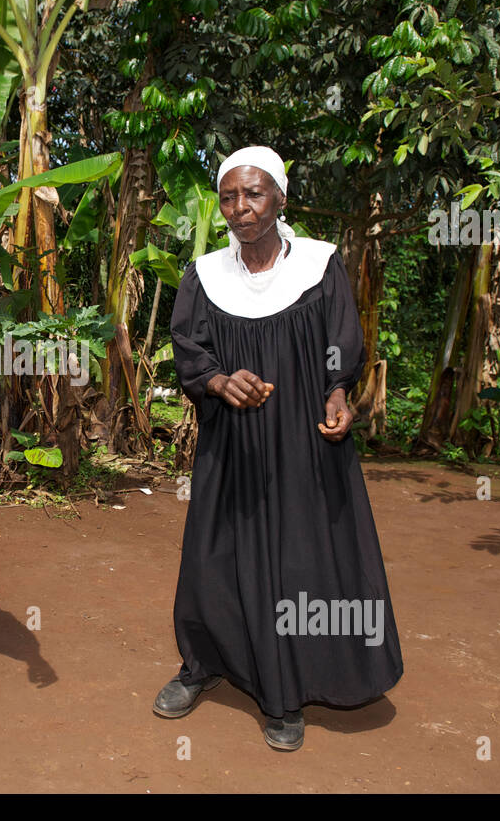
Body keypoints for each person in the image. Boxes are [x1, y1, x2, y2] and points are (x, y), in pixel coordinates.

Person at [153, 145, 403, 750]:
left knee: (300, 562)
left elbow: (341, 344)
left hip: (304, 447)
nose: (241, 209)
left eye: (254, 194)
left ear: (280, 199)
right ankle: (204, 664)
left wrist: (337, 393)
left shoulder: (320, 266)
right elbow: (191, 349)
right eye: (230, 197)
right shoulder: (206, 276)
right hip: (232, 448)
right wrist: (217, 381)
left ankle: (286, 694)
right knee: (216, 559)